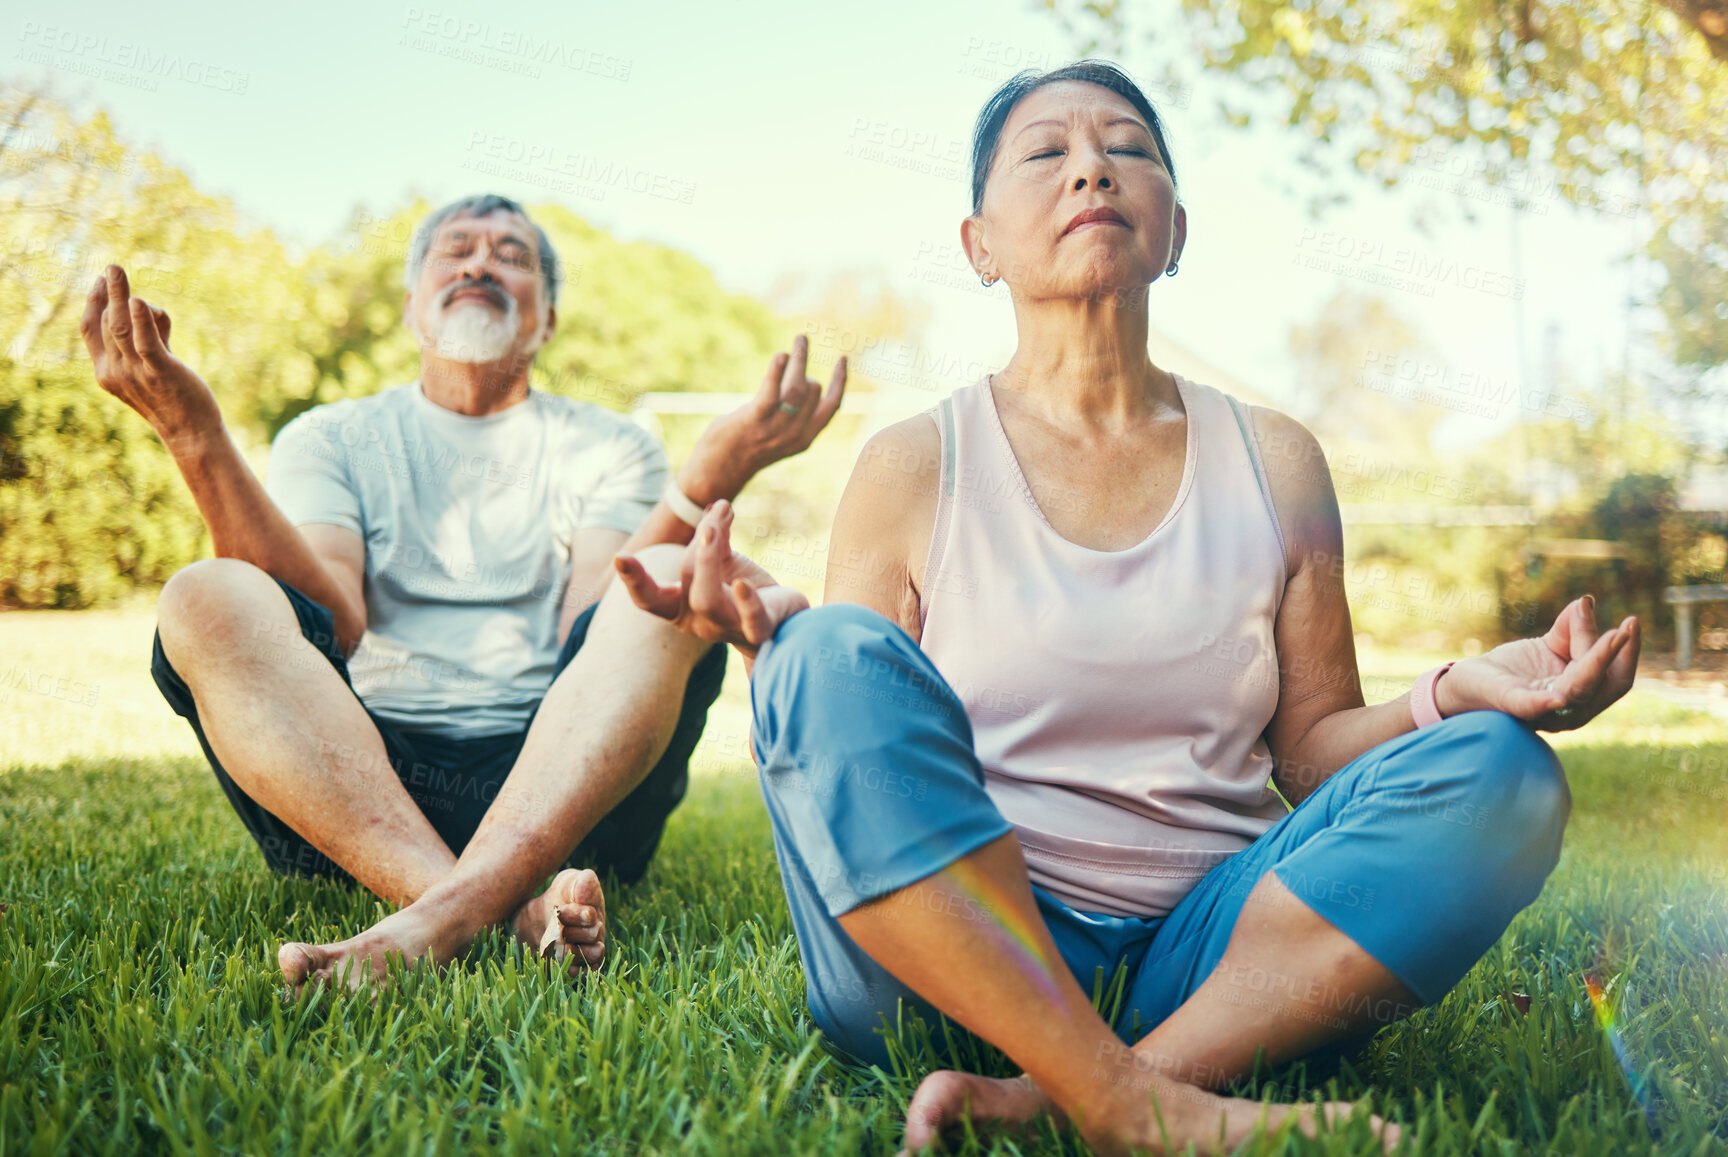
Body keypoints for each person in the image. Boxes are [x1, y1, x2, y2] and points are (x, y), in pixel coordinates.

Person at [614, 63, 1641, 1155]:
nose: (1093, 166)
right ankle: (1125, 1102)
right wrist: (782, 628)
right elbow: (867, 725)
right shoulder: (913, 463)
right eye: (1046, 154)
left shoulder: (1278, 458)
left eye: (1129, 148)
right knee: (824, 648)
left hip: (1212, 962)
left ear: (1177, 227)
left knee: (1505, 773)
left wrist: (1453, 693)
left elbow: (1311, 753)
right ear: (979, 245)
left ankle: (1105, 1088)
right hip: (955, 960)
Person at [79, 193, 847, 990]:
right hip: (352, 787)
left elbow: (591, 625)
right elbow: (331, 617)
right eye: (456, 250)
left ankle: (443, 912)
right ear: (413, 305)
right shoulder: (331, 436)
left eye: (512, 255)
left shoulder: (610, 442)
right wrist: (193, 434)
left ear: (547, 319)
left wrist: (707, 478)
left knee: (670, 580)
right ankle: (502, 905)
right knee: (203, 594)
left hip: (564, 788)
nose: (482, 262)